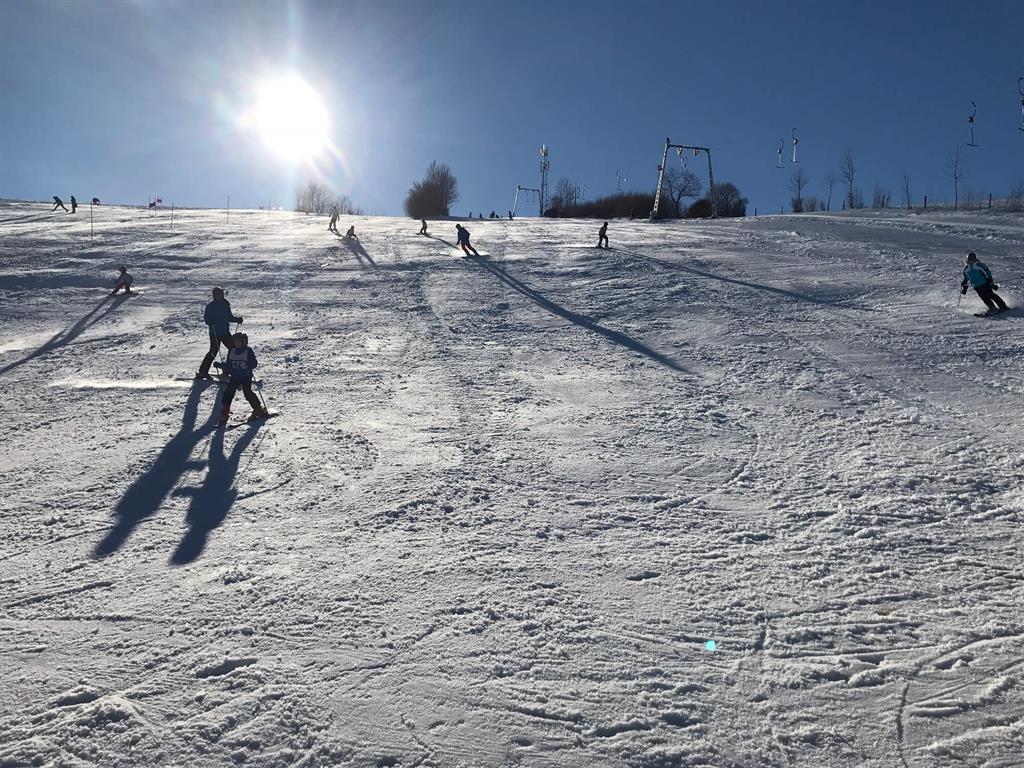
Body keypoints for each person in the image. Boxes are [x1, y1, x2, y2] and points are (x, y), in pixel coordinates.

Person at [218, 332, 268, 424]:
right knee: (229, 392)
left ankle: (257, 408)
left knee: (247, 392)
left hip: (246, 376)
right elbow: (229, 365)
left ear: (244, 342)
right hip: (235, 376)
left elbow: (254, 363)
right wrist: (222, 366)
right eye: (235, 341)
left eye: (238, 341)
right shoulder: (232, 351)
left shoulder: (248, 351)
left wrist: (249, 364)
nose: (236, 343)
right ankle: (225, 410)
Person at [196, 287, 243, 380]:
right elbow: (206, 319)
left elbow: (229, 317)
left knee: (233, 349)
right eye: (217, 295)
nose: (219, 297)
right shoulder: (210, 306)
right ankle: (202, 372)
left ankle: (227, 370)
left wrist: (237, 319)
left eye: (220, 295)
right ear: (214, 296)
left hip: (225, 332)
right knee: (213, 352)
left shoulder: (226, 305)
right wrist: (210, 321)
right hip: (215, 333)